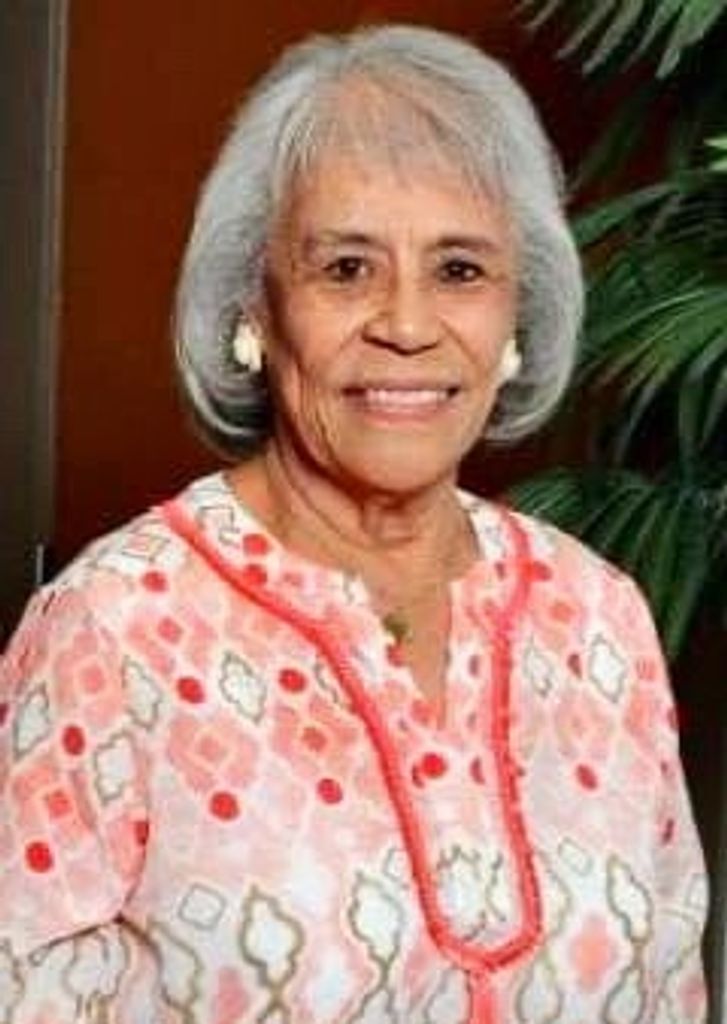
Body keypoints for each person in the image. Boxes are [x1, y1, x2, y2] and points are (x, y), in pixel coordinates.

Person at [0, 24, 707, 1024]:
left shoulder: (600, 619)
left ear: (516, 313)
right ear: (255, 306)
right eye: (345, 268)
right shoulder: (113, 631)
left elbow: (671, 989)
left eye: (459, 270)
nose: (407, 326)